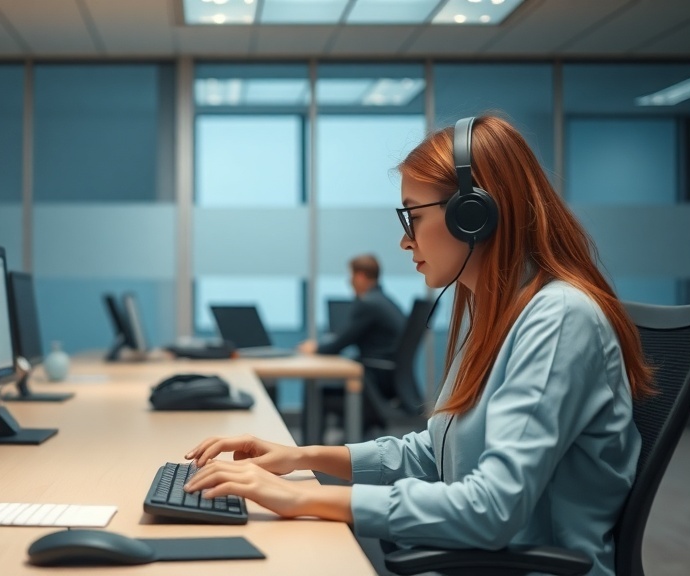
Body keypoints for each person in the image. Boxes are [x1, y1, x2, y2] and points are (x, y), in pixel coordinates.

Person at [183, 115, 653, 576]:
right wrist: (302, 458)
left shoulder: (558, 318)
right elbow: (432, 455)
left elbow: (492, 508)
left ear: (474, 216)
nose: (404, 241)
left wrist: (304, 497)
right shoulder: (491, 313)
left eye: (413, 215)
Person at [299, 254, 406, 401]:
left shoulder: (368, 304)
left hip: (374, 381)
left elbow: (340, 343)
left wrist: (315, 348)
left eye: (351, 275)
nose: (349, 281)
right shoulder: (385, 301)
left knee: (314, 386)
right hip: (390, 378)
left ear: (360, 277)